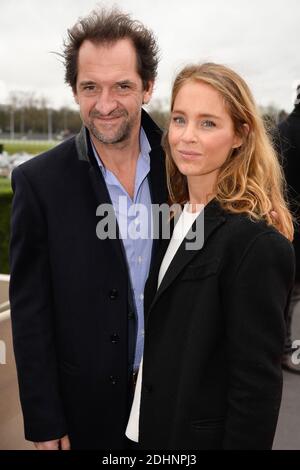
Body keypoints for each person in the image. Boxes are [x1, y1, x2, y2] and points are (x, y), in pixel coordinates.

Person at [9, 8, 167, 450]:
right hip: (85, 412)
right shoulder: (39, 183)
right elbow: (30, 311)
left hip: (176, 403)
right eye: (90, 87)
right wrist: (43, 418)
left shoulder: (185, 167)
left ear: (148, 88)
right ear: (75, 91)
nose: (104, 103)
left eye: (122, 86)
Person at [126, 63, 295, 450]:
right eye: (180, 119)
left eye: (207, 123)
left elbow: (255, 390)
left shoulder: (256, 242)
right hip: (142, 429)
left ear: (240, 135)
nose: (186, 136)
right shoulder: (174, 216)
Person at [275, 85, 300, 373]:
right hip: (291, 228)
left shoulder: (281, 131)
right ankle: (283, 349)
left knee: (285, 295)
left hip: (280, 224)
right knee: (289, 297)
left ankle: (280, 348)